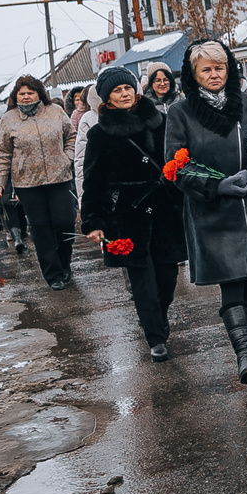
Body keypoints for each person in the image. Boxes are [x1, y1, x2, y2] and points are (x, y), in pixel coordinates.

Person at [163, 39, 247, 387]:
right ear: (193, 75)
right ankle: (245, 354)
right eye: (206, 69)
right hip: (212, 212)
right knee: (232, 282)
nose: (214, 74)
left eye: (219, 67)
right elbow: (176, 165)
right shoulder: (181, 112)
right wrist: (217, 185)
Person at [80, 65, 186, 360]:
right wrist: (93, 220)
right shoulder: (100, 133)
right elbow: (93, 180)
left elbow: (176, 159)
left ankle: (158, 318)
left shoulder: (159, 121)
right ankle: (155, 337)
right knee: (142, 278)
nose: (124, 93)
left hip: (164, 208)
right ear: (107, 98)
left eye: (127, 87)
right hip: (127, 213)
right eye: (117, 90)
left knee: (167, 276)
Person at [0, 75, 78, 289]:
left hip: (59, 177)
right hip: (27, 182)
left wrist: (67, 157)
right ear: (15, 96)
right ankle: (53, 274)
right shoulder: (8, 119)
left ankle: (64, 263)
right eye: (22, 93)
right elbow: (3, 154)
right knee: (41, 228)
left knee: (65, 223)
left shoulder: (55, 112)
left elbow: (71, 136)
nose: (26, 96)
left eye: (30, 92)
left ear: (39, 93)